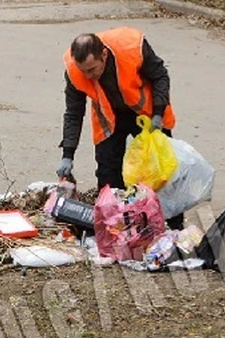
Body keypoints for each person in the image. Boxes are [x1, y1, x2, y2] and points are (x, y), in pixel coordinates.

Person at [56, 27, 184, 229]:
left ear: (104, 55)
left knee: (161, 171)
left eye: (93, 69)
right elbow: (73, 113)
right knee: (108, 176)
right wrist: (68, 153)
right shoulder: (74, 71)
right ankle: (116, 229)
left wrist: (158, 113)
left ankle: (175, 227)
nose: (89, 76)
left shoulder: (132, 47)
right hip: (110, 118)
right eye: (84, 71)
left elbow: (161, 76)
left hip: (146, 114)